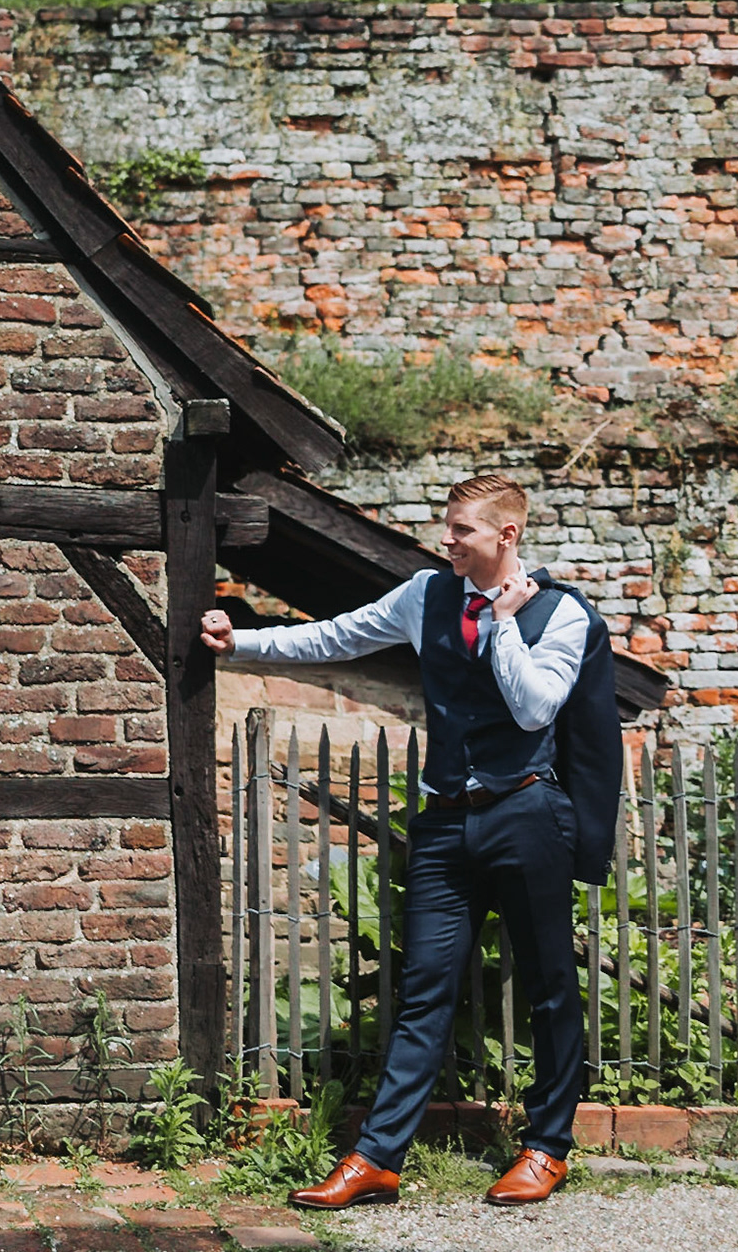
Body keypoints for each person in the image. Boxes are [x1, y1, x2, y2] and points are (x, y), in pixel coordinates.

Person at [201, 474, 619, 1209]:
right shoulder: (425, 595)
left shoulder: (563, 614)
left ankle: (547, 1147)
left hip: (528, 814)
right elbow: (338, 634)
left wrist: (503, 623)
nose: (446, 539)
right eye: (447, 526)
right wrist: (241, 642)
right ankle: (377, 1159)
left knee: (550, 986)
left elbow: (534, 711)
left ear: (506, 535)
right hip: (445, 821)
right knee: (425, 988)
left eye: (461, 529)